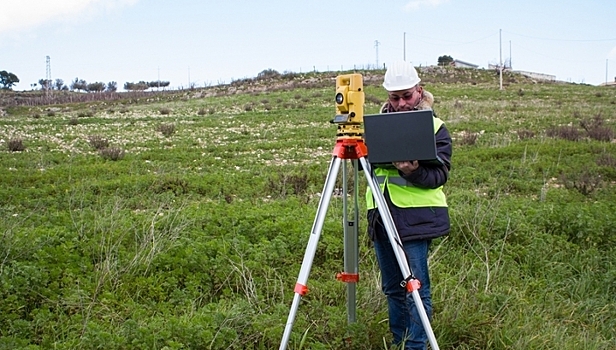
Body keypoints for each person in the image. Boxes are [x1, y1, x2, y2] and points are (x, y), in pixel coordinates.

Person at [366, 61, 452, 350]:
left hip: (415, 219)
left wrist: (411, 171)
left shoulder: (435, 127)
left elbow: (439, 175)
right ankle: (399, 341)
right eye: (395, 97)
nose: (401, 103)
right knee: (393, 288)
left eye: (407, 96)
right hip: (381, 215)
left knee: (416, 288)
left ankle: (416, 346)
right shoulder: (374, 127)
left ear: (420, 91)